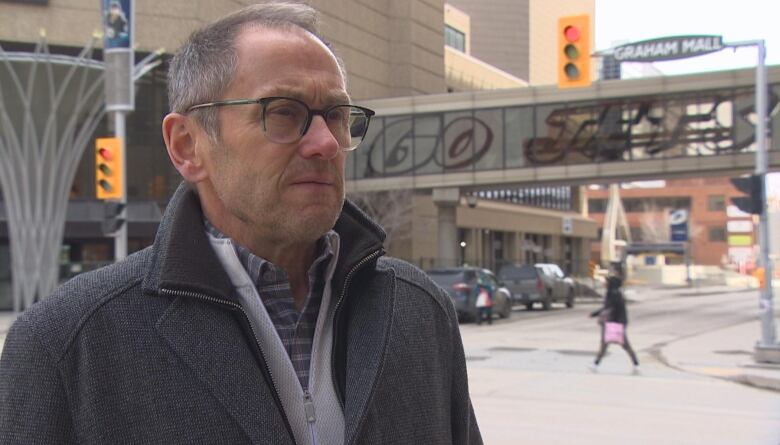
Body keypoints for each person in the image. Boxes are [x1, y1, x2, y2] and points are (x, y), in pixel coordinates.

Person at [0, 3, 482, 444]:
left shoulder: (420, 313)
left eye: (336, 115)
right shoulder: (67, 345)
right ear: (188, 145)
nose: (325, 143)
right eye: (284, 113)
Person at [588, 273, 640, 373]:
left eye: (607, 282)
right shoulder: (614, 293)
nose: (605, 283)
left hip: (615, 323)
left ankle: (636, 363)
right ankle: (595, 363)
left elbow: (609, 308)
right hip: (616, 322)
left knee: (622, 344)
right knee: (608, 343)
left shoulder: (613, 294)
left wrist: (595, 314)